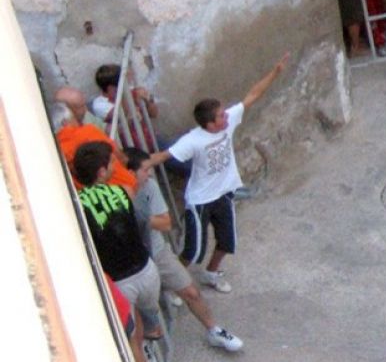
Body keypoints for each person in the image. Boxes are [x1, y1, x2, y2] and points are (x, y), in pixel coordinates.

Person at [145, 54, 289, 293]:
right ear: (210, 124)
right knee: (193, 251)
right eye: (221, 116)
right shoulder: (193, 140)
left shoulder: (228, 121)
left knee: (227, 242)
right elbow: (164, 156)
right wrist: (136, 168)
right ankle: (172, 286)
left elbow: (252, 96)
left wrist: (275, 72)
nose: (227, 116)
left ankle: (211, 273)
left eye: (224, 113)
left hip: (223, 194)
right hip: (200, 200)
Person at [124, 148, 244, 352]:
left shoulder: (149, 186)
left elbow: (165, 223)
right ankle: (146, 348)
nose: (151, 174)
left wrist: (137, 218)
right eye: (146, 170)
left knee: (191, 291)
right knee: (138, 311)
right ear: (130, 173)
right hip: (133, 260)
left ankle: (214, 330)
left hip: (158, 251)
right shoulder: (115, 194)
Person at [73, 141, 162, 340]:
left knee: (132, 336)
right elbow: (142, 226)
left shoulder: (77, 205)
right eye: (111, 162)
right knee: (149, 323)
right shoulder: (125, 191)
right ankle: (152, 331)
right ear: (102, 171)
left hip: (118, 282)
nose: (116, 166)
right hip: (145, 269)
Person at [52, 102, 137, 195]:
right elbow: (119, 155)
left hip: (96, 202)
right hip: (125, 188)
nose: (78, 122)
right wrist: (128, 170)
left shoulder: (55, 153)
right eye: (74, 118)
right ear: (65, 122)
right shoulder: (88, 131)